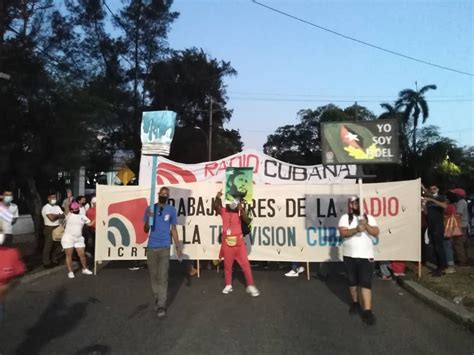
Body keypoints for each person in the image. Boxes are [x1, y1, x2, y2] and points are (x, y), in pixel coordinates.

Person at [338, 196, 380, 325]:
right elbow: (343, 233)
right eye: (353, 203)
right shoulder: (345, 218)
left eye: (357, 203)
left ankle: (367, 311)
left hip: (366, 256)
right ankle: (355, 303)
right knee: (352, 281)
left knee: (366, 282)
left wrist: (366, 225)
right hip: (349, 255)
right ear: (350, 205)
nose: (355, 205)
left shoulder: (369, 217)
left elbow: (376, 232)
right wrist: (356, 229)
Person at [143, 186, 182, 318]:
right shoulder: (150, 209)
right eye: (162, 193)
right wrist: (149, 219)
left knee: (163, 277)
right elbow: (145, 229)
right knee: (154, 276)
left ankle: (161, 305)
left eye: (166, 194)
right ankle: (157, 296)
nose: (164, 195)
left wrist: (178, 246)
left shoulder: (171, 210)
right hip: (151, 247)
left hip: (165, 246)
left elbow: (174, 229)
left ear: (168, 196)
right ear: (158, 194)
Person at [213, 190, 260, 297]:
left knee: (246, 265)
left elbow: (248, 221)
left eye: (236, 200)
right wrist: (217, 197)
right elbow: (215, 207)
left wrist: (242, 211)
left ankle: (251, 285)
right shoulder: (224, 211)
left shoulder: (242, 211)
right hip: (227, 244)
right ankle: (228, 284)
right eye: (232, 200)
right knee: (227, 266)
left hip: (239, 244)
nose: (234, 202)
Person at [61, 201, 93, 278]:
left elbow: (89, 224)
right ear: (71, 210)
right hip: (68, 238)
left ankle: (84, 269)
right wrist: (68, 198)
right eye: (74, 209)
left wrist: (96, 218)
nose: (76, 210)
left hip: (79, 238)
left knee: (82, 255)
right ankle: (70, 271)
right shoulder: (68, 215)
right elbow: (66, 208)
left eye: (77, 208)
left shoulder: (82, 216)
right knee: (69, 255)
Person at [422, 185, 448, 277]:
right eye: (431, 189)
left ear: (437, 189)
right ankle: (438, 267)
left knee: (439, 246)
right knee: (434, 247)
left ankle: (442, 267)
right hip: (431, 225)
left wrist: (432, 200)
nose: (432, 190)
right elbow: (426, 212)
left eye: (434, 188)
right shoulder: (429, 199)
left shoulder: (441, 197)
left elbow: (445, 206)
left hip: (438, 225)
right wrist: (424, 205)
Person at [41, 193, 65, 268]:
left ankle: (54, 259)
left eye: (55, 197)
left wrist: (56, 216)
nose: (54, 199)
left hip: (57, 227)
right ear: (48, 198)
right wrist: (58, 215)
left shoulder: (57, 207)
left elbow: (63, 215)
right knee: (48, 246)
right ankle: (46, 262)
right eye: (52, 197)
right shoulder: (46, 207)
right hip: (49, 228)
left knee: (57, 245)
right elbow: (51, 219)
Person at [451, 188, 470, 266]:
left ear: (458, 195)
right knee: (463, 243)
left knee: (458, 243)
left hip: (460, 226)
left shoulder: (461, 202)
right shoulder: (462, 202)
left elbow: (458, 214)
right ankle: (464, 259)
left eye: (455, 194)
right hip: (463, 225)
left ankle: (462, 261)